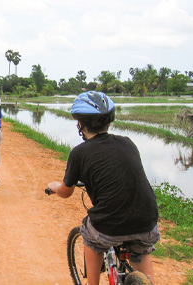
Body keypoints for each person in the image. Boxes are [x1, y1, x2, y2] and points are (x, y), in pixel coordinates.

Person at [47, 91, 159, 285]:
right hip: (147, 220)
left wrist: (54, 186)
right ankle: (147, 281)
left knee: (90, 236)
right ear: (108, 122)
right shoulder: (128, 143)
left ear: (80, 124)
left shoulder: (79, 153)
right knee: (141, 252)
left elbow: (66, 192)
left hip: (109, 225)